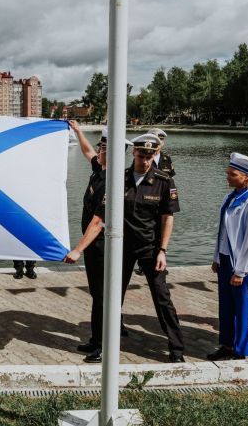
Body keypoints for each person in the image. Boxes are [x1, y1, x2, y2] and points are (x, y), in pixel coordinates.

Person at [64, 124, 133, 363]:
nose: (98, 151)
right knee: (97, 295)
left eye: (103, 148)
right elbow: (87, 153)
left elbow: (98, 221)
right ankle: (96, 340)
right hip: (94, 248)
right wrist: (77, 131)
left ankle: (105, 347)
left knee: (104, 298)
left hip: (103, 248)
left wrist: (77, 250)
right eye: (100, 147)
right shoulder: (101, 170)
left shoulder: (113, 182)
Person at [121, 133, 185, 363]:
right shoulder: (120, 178)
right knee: (113, 294)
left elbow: (168, 217)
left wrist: (163, 251)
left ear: (156, 154)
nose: (145, 160)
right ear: (133, 153)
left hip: (150, 247)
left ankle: (176, 348)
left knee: (162, 297)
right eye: (141, 155)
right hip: (123, 246)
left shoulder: (163, 180)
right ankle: (106, 337)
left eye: (150, 155)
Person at [207, 153, 248, 361]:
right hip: (225, 260)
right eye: (228, 173)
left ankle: (242, 350)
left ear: (246, 177)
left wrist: (240, 271)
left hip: (241, 264)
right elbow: (223, 232)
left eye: (232, 174)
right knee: (226, 306)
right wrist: (216, 257)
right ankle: (227, 344)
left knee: (242, 308)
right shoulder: (230, 197)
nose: (228, 177)